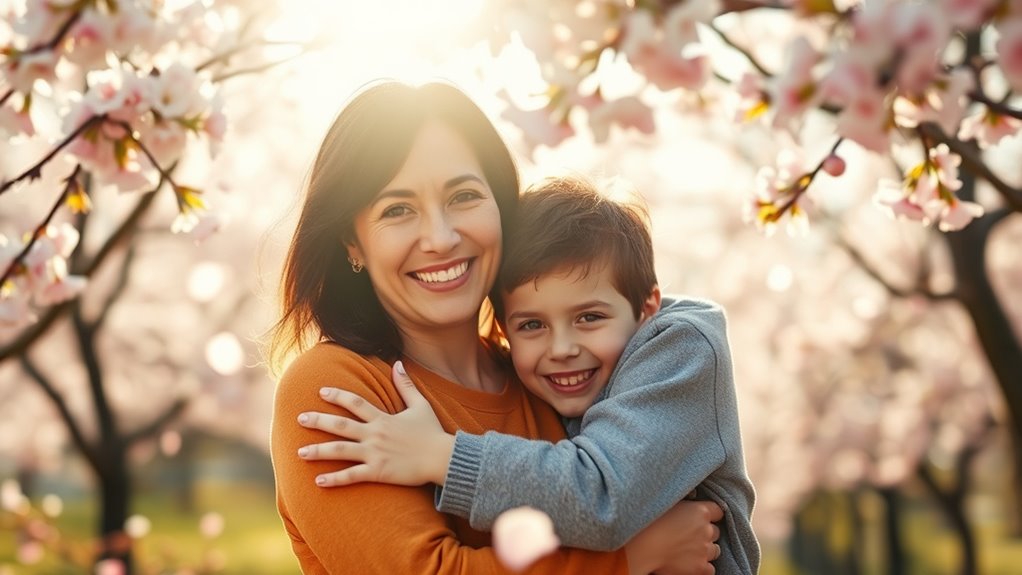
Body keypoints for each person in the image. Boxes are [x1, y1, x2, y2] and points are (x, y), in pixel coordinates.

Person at [268, 80, 724, 574]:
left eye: (464, 196)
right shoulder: (334, 390)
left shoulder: (550, 372)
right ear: (352, 243)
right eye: (397, 209)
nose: (441, 238)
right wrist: (630, 559)